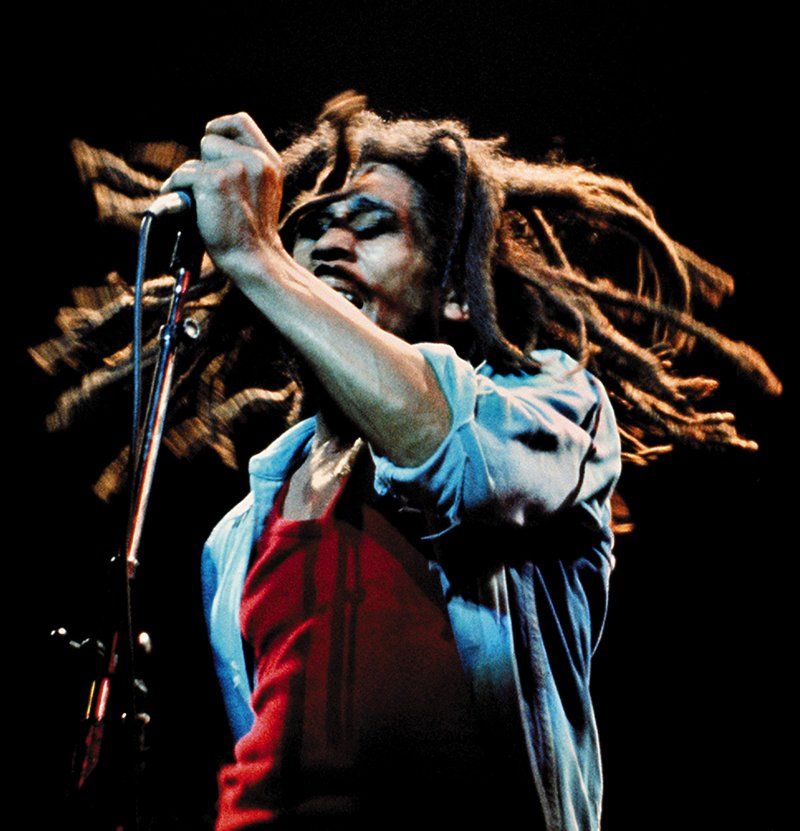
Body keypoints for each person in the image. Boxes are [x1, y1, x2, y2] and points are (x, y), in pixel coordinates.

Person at [36, 91, 780, 830]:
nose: (329, 247)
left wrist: (257, 255)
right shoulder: (235, 536)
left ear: (455, 290)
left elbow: (448, 451)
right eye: (307, 231)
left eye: (371, 226)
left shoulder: (553, 406)